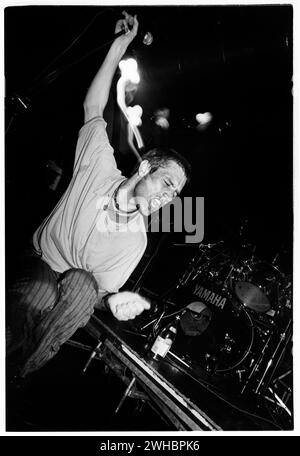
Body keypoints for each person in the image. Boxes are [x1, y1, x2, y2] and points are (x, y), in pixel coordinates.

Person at [7, 11, 191, 378]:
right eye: (167, 184)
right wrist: (118, 47)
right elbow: (93, 108)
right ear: (144, 169)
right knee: (43, 289)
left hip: (71, 291)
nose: (169, 198)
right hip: (40, 261)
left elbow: (99, 296)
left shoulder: (135, 241)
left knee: (80, 287)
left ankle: (11, 376)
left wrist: (115, 303)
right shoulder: (99, 165)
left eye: (175, 194)